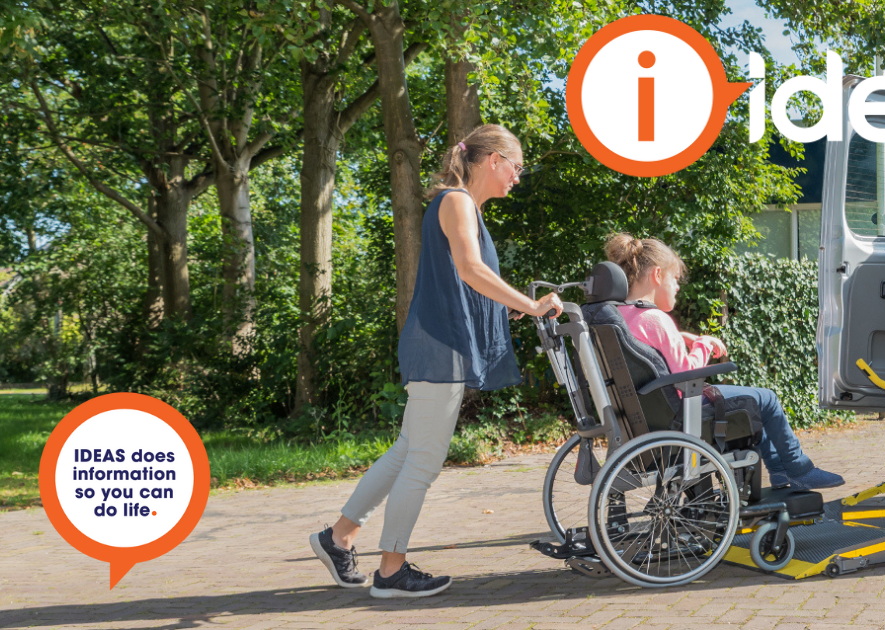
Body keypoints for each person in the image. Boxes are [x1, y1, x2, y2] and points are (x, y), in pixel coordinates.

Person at [310, 124, 563, 598]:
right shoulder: (456, 202)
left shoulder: (458, 203)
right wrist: (529, 306)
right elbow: (470, 269)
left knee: (407, 451)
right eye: (517, 167)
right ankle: (390, 571)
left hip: (436, 342)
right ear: (494, 161)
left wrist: (512, 304)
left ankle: (338, 537)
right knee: (423, 462)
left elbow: (467, 276)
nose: (518, 178)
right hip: (439, 346)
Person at [604, 233, 844, 492]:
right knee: (767, 399)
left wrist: (679, 337)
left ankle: (781, 474)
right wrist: (703, 345)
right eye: (674, 279)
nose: (677, 287)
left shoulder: (619, 315)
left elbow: (645, 348)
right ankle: (798, 469)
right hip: (683, 411)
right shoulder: (656, 319)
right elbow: (686, 375)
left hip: (648, 415)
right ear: (658, 275)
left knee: (753, 403)